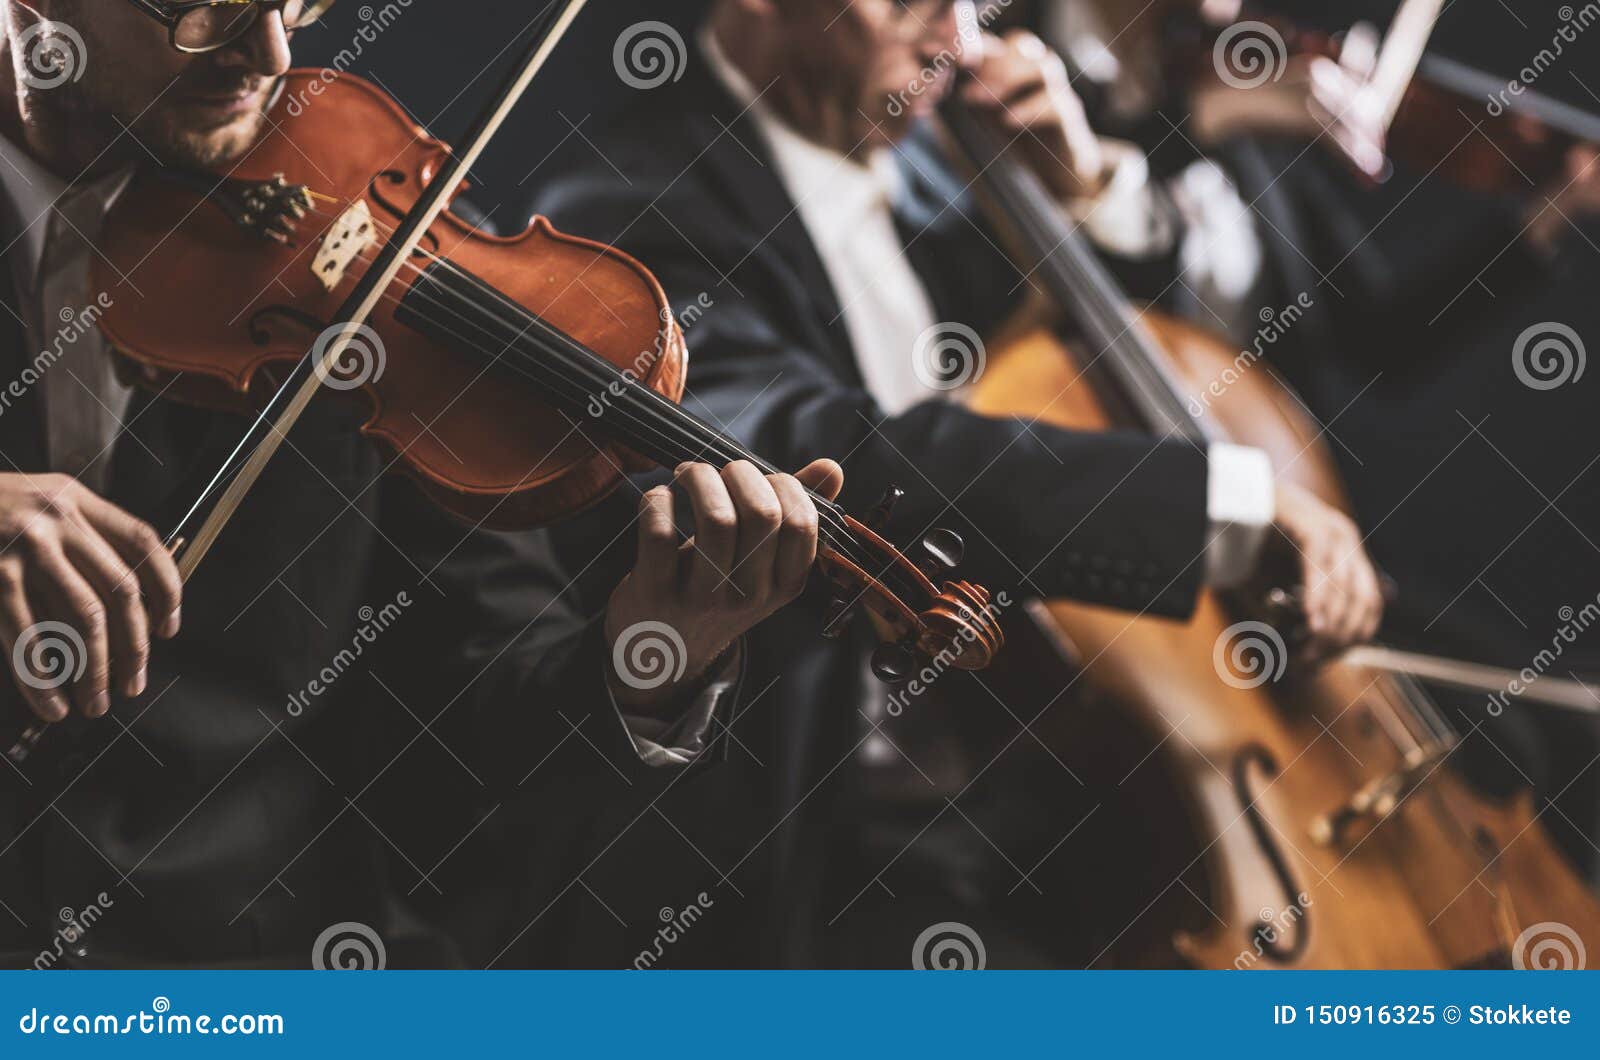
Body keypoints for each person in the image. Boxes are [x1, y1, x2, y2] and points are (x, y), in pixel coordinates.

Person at [534, 0, 1385, 964]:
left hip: (1060, 777)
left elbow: (1151, 369)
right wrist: (1225, 503)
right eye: (914, 3)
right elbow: (838, 459)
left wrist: (1087, 188)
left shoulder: (955, 157)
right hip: (843, 828)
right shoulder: (630, 208)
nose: (960, 37)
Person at [0, 0, 841, 967]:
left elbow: (481, 698)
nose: (270, 53)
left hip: (233, 958)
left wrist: (653, 649)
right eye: (210, 8)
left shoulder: (374, 239)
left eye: (294, 5)